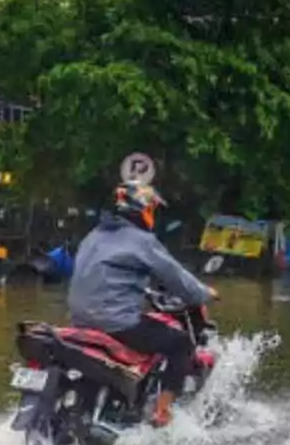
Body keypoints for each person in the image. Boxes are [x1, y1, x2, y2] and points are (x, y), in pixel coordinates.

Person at [68, 176, 217, 427]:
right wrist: (204, 293)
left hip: (80, 320)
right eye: (152, 209)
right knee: (180, 344)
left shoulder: (93, 236)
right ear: (143, 208)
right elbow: (176, 277)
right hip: (116, 322)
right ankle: (162, 411)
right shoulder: (141, 241)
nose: (153, 215)